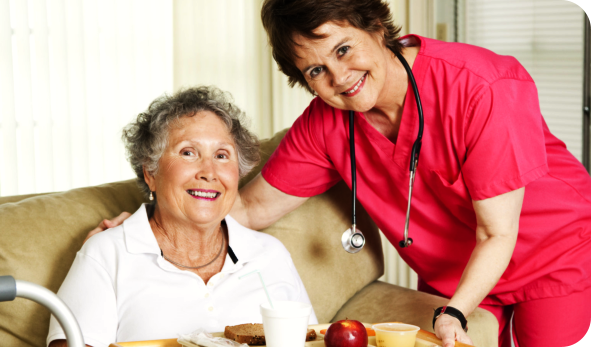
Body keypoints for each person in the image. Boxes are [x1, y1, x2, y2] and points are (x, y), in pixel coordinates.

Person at [88, 1, 591, 347]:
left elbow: (497, 230)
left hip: (557, 256)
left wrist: (455, 311)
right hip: (458, 276)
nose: (338, 78)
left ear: (375, 25)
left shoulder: (482, 87)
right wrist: (149, 219)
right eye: (314, 71)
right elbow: (248, 207)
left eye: (343, 49)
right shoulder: (326, 126)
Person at [48, 86, 317, 347]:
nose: (209, 171)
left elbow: (313, 340)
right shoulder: (106, 253)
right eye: (189, 153)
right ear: (151, 173)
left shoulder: (270, 254)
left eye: (222, 155)